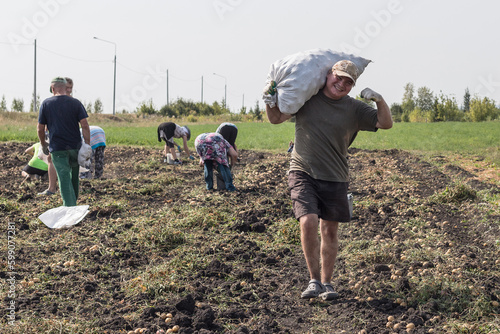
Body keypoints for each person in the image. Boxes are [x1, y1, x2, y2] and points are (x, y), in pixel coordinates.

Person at [264, 60, 393, 300]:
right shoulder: (307, 98)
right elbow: (275, 118)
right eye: (339, 77)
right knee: (308, 221)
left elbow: (385, 123)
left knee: (330, 230)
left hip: (335, 175)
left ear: (353, 86)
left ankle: (327, 283)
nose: (342, 83)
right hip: (302, 170)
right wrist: (269, 100)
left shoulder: (354, 108)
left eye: (349, 81)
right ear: (328, 75)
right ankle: (313, 280)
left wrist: (379, 100)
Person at [37, 77, 90, 207]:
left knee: (64, 176)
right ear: (66, 88)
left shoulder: (46, 104)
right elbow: (85, 125)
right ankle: (74, 202)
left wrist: (43, 144)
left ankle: (70, 208)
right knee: (74, 176)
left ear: (53, 88)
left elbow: (40, 128)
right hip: (75, 147)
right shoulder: (75, 103)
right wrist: (87, 145)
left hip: (58, 147)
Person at [39, 77, 74, 196]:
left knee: (54, 159)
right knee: (58, 159)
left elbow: (41, 126)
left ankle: (53, 189)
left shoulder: (52, 102)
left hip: (58, 136)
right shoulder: (72, 102)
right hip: (68, 136)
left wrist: (43, 142)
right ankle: (63, 188)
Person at [215, 122, 238, 189]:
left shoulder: (216, 135)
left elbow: (219, 148)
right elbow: (232, 145)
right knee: (230, 146)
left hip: (224, 127)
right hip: (234, 128)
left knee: (222, 149)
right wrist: (235, 156)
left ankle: (225, 167)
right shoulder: (217, 133)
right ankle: (229, 166)